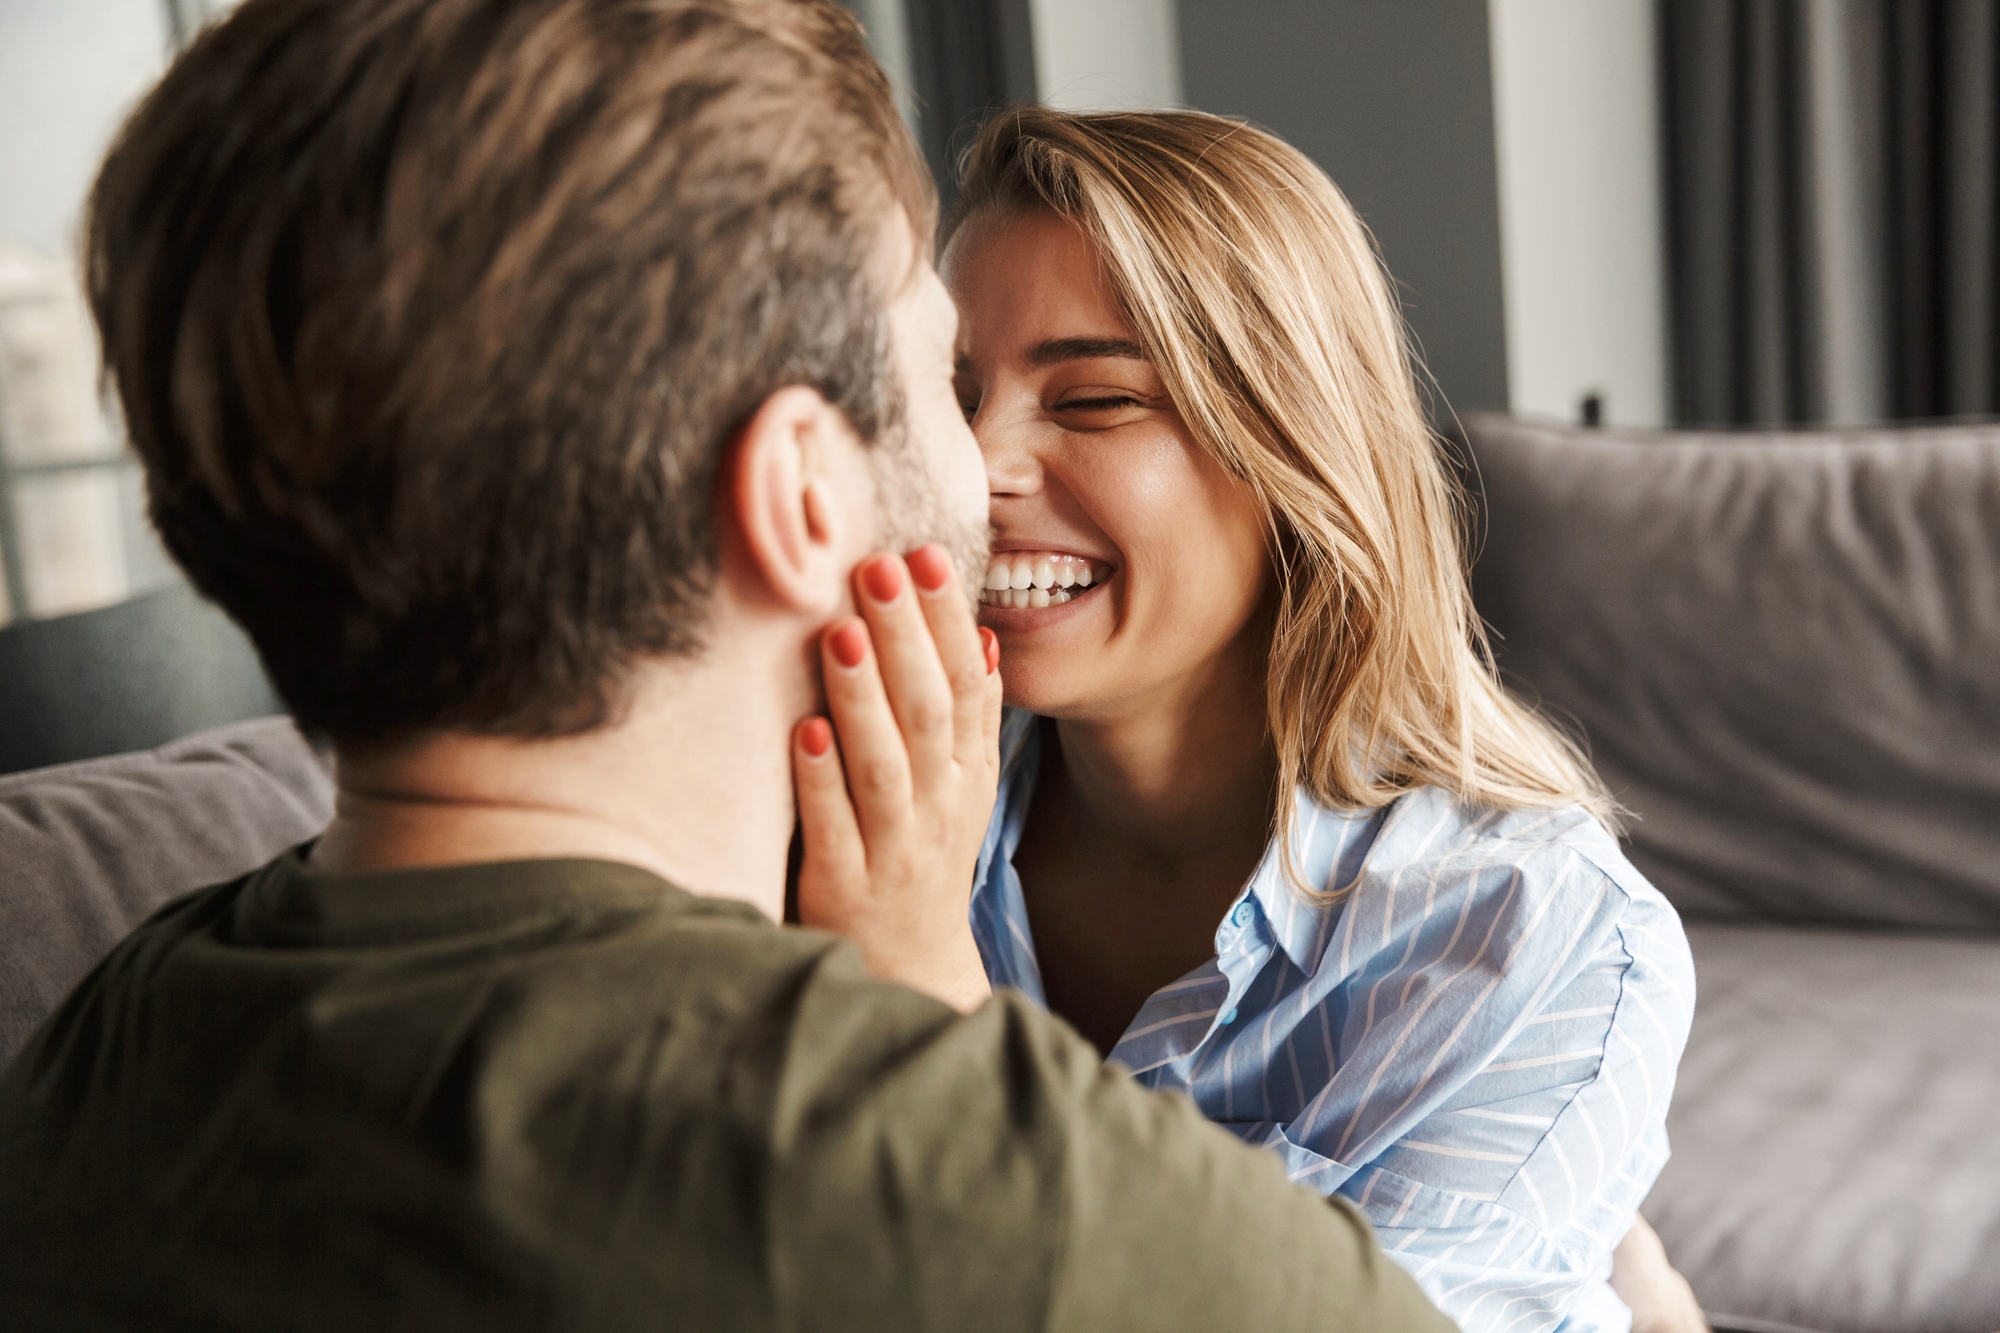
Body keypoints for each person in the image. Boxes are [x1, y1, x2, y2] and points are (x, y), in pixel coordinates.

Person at [0, 5, 1454, 1330]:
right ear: (806, 493)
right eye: (941, 377)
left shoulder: (91, 1061)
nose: (990, 463)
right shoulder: (1062, 1224)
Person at [935, 106, 1702, 1332]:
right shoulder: (862, 819)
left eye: (1090, 401)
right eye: (947, 393)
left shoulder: (1531, 933)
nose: (970, 467)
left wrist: (919, 999)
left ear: (1287, 450)